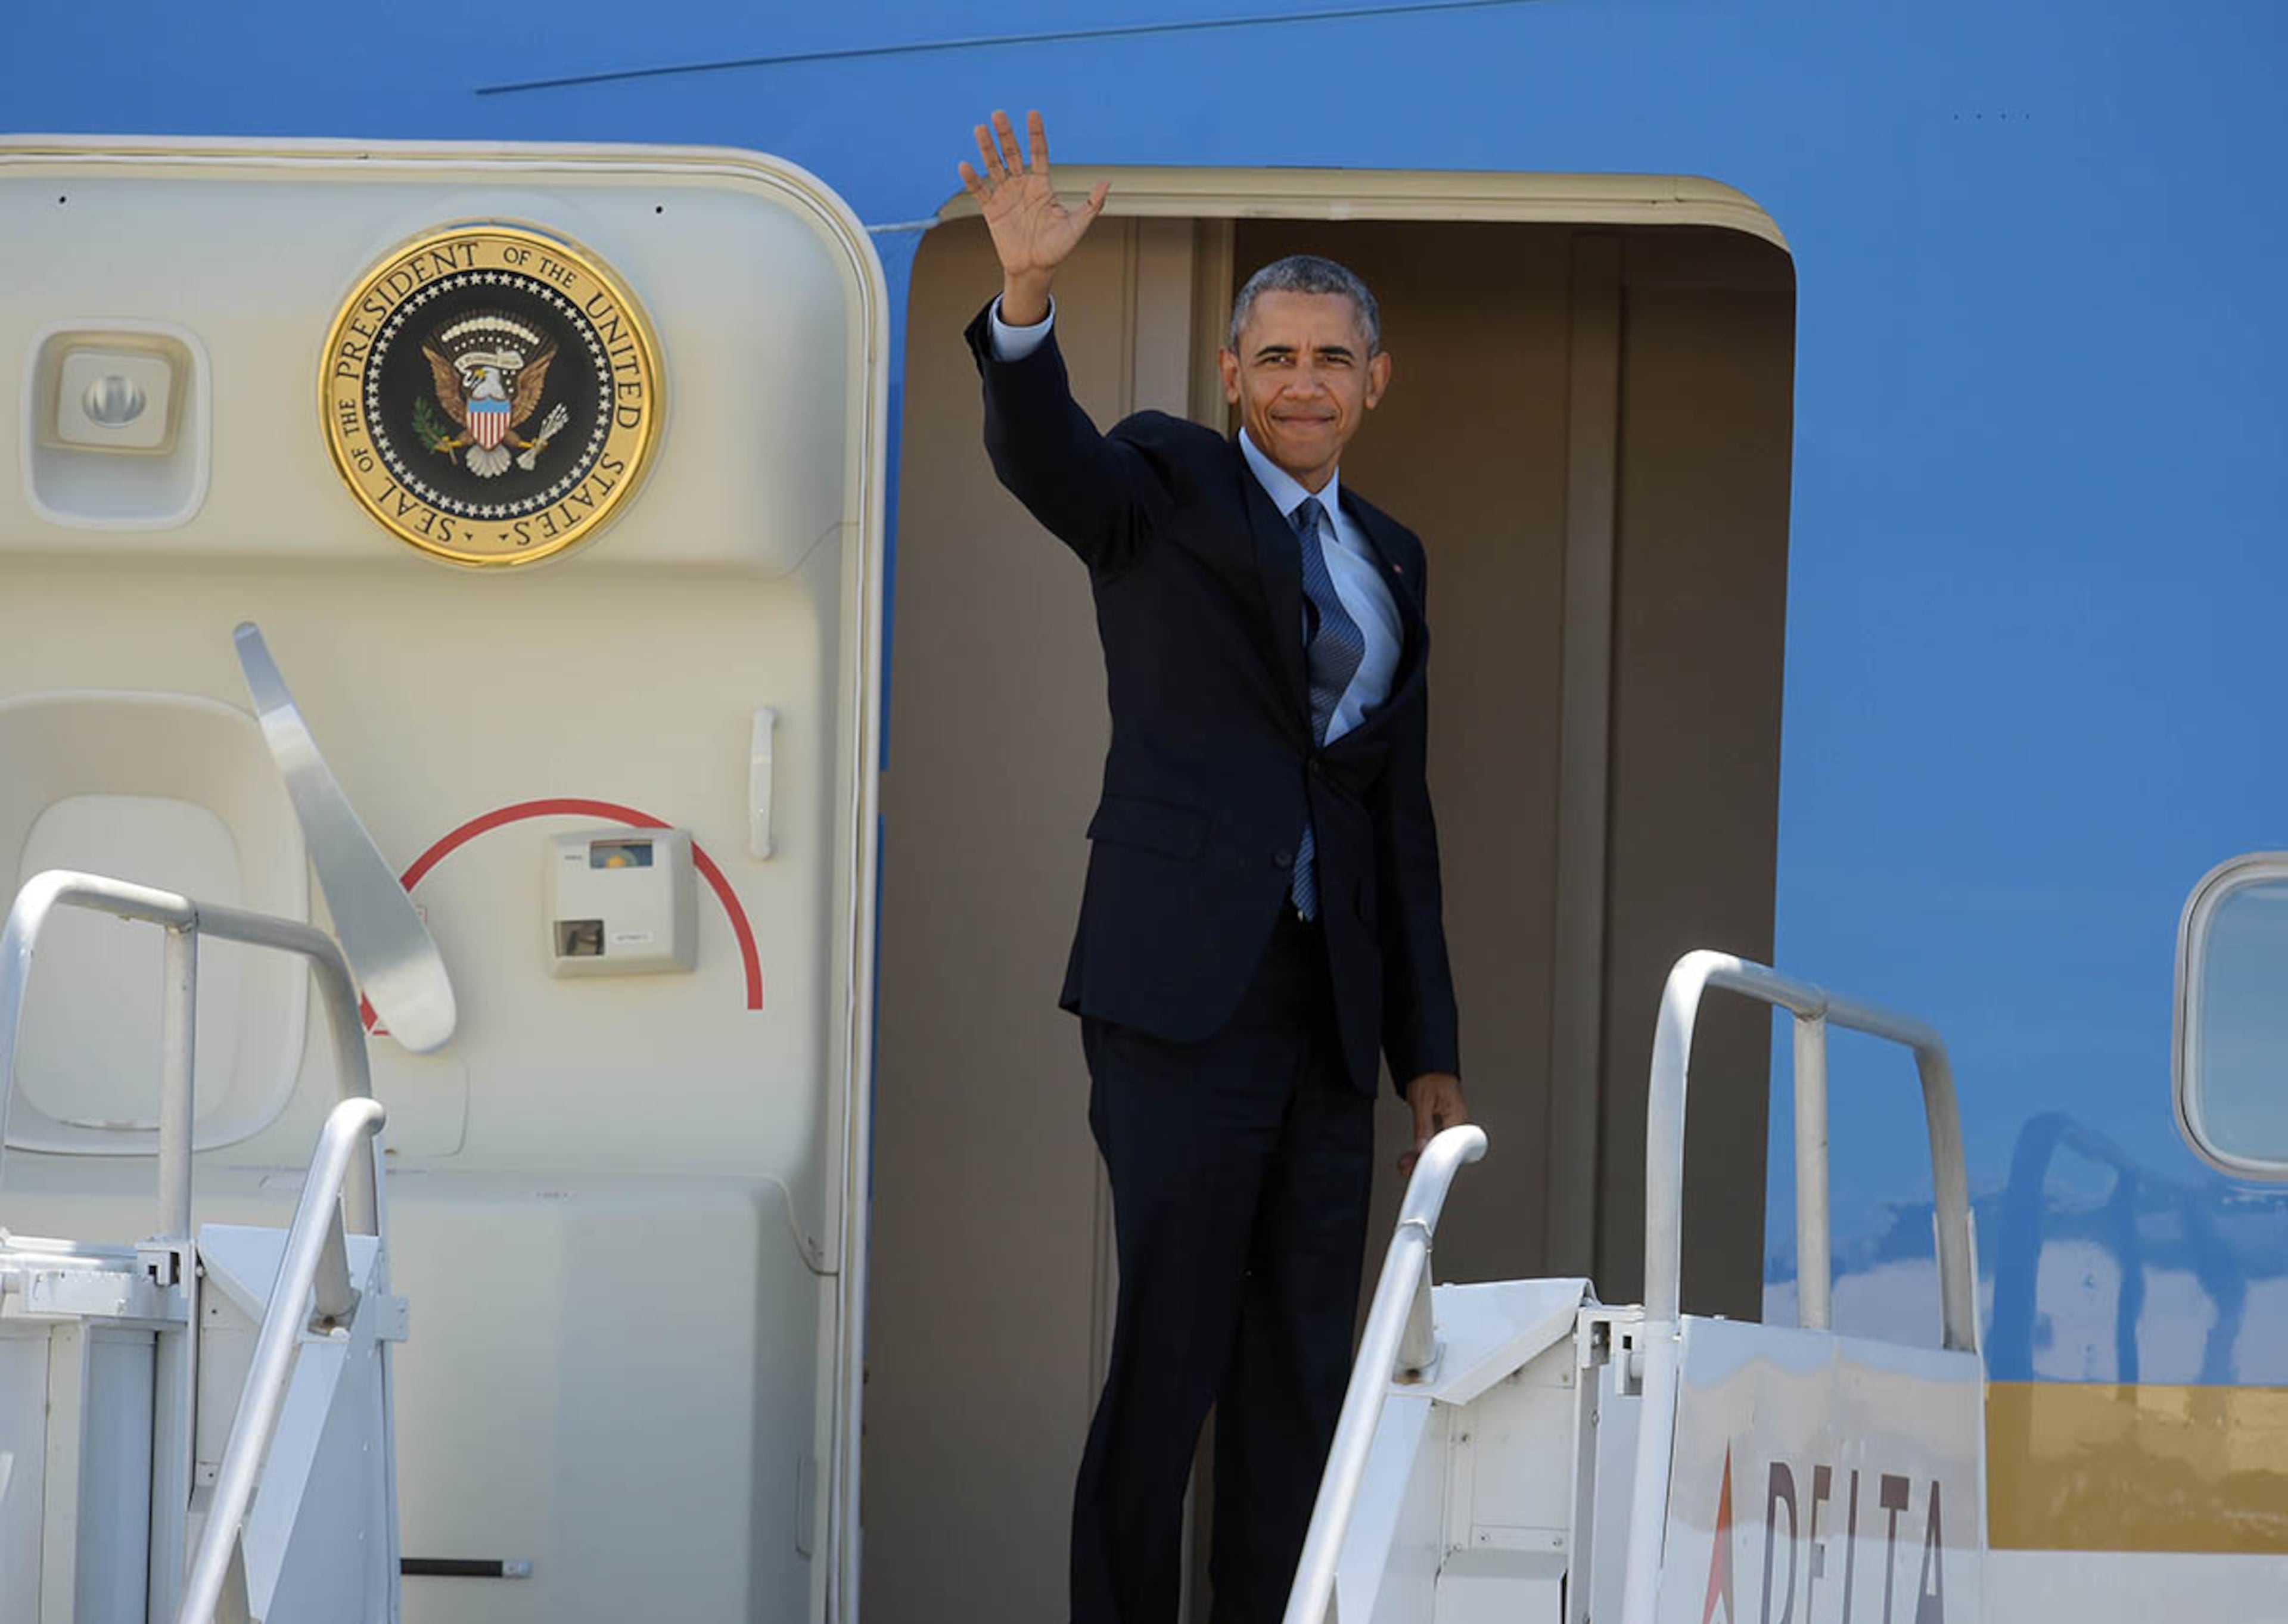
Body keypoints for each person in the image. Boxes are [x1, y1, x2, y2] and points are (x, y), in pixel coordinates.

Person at [958, 108, 1469, 1623]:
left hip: (1326, 1015)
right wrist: (1027, 306)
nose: (1303, 383)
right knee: (1170, 1354)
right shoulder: (1164, 483)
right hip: (1179, 998)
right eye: (1277, 358)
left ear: (1374, 384)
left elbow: (1398, 813)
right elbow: (1044, 460)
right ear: (1232, 376)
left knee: (1303, 1368)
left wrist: (1425, 1048)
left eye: (1332, 360)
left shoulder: (1394, 554)